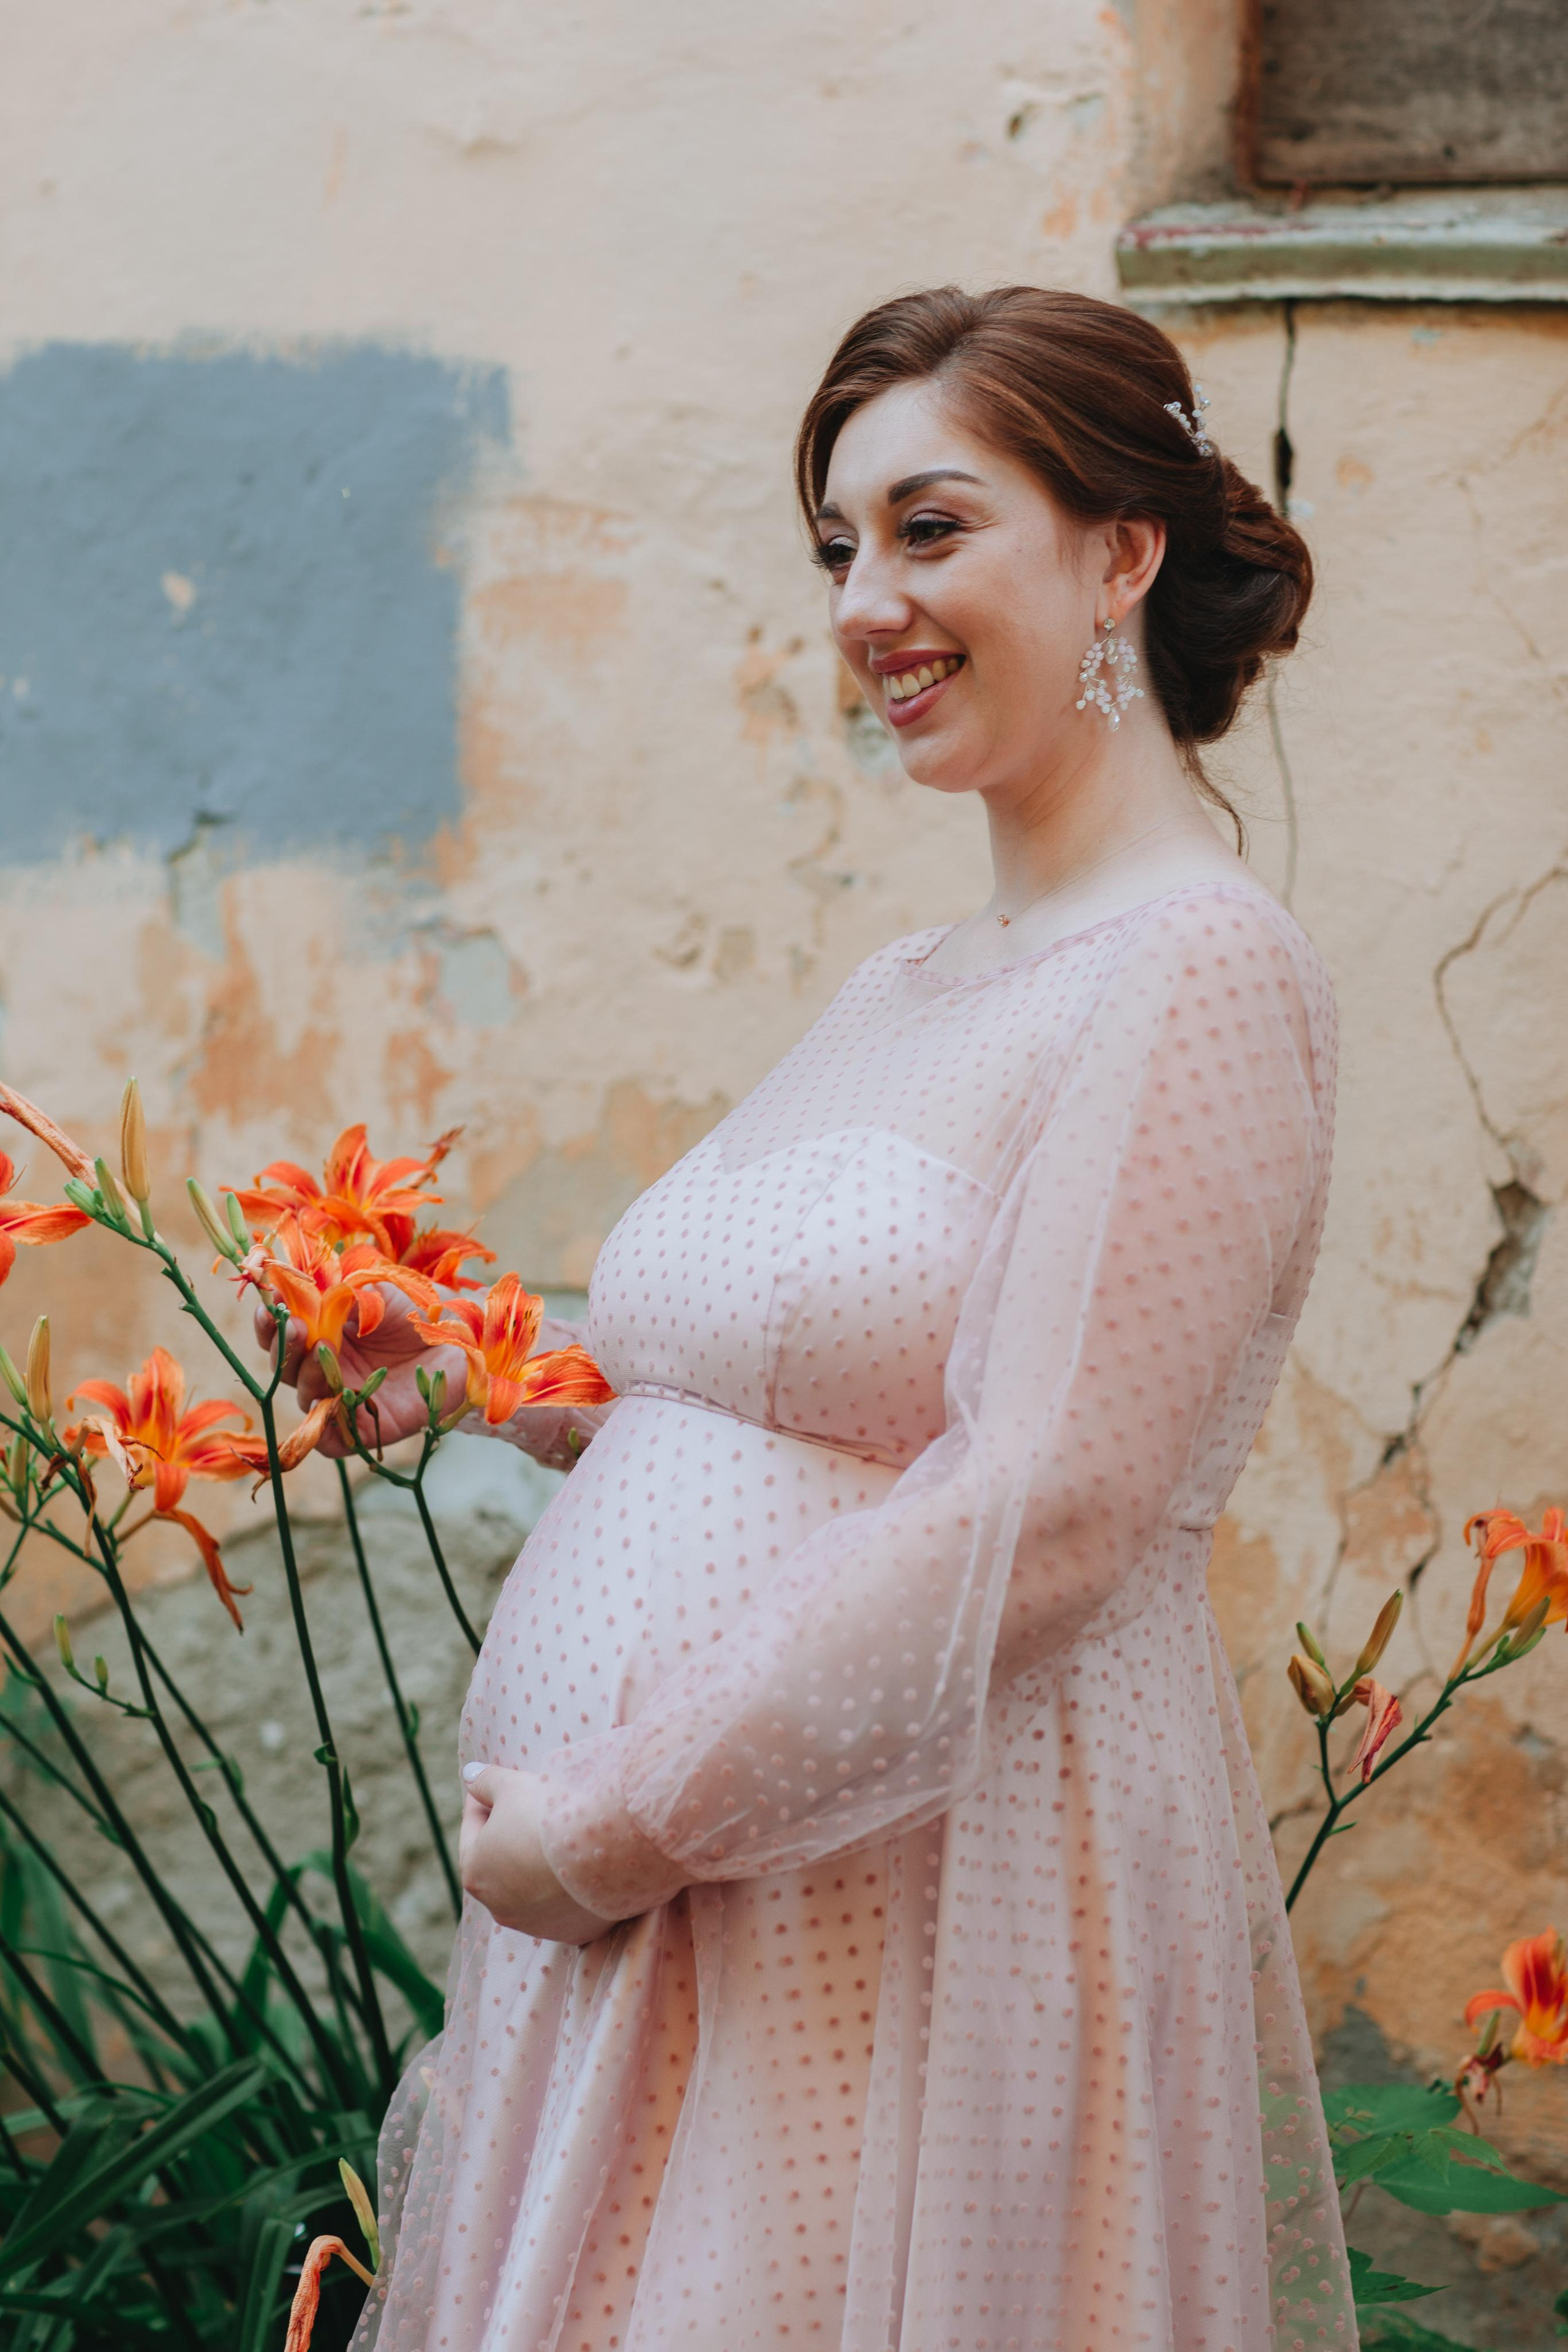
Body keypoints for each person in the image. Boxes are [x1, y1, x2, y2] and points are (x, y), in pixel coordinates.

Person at [295, 286, 1354, 2351]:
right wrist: (491, 1379)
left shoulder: (1196, 970)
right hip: (690, 1915)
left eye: (933, 528)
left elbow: (1050, 1505)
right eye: (840, 548)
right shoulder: (903, 983)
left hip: (897, 1918)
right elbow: (801, 1419)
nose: (869, 603)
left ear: (1123, 552)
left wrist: (618, 1819)